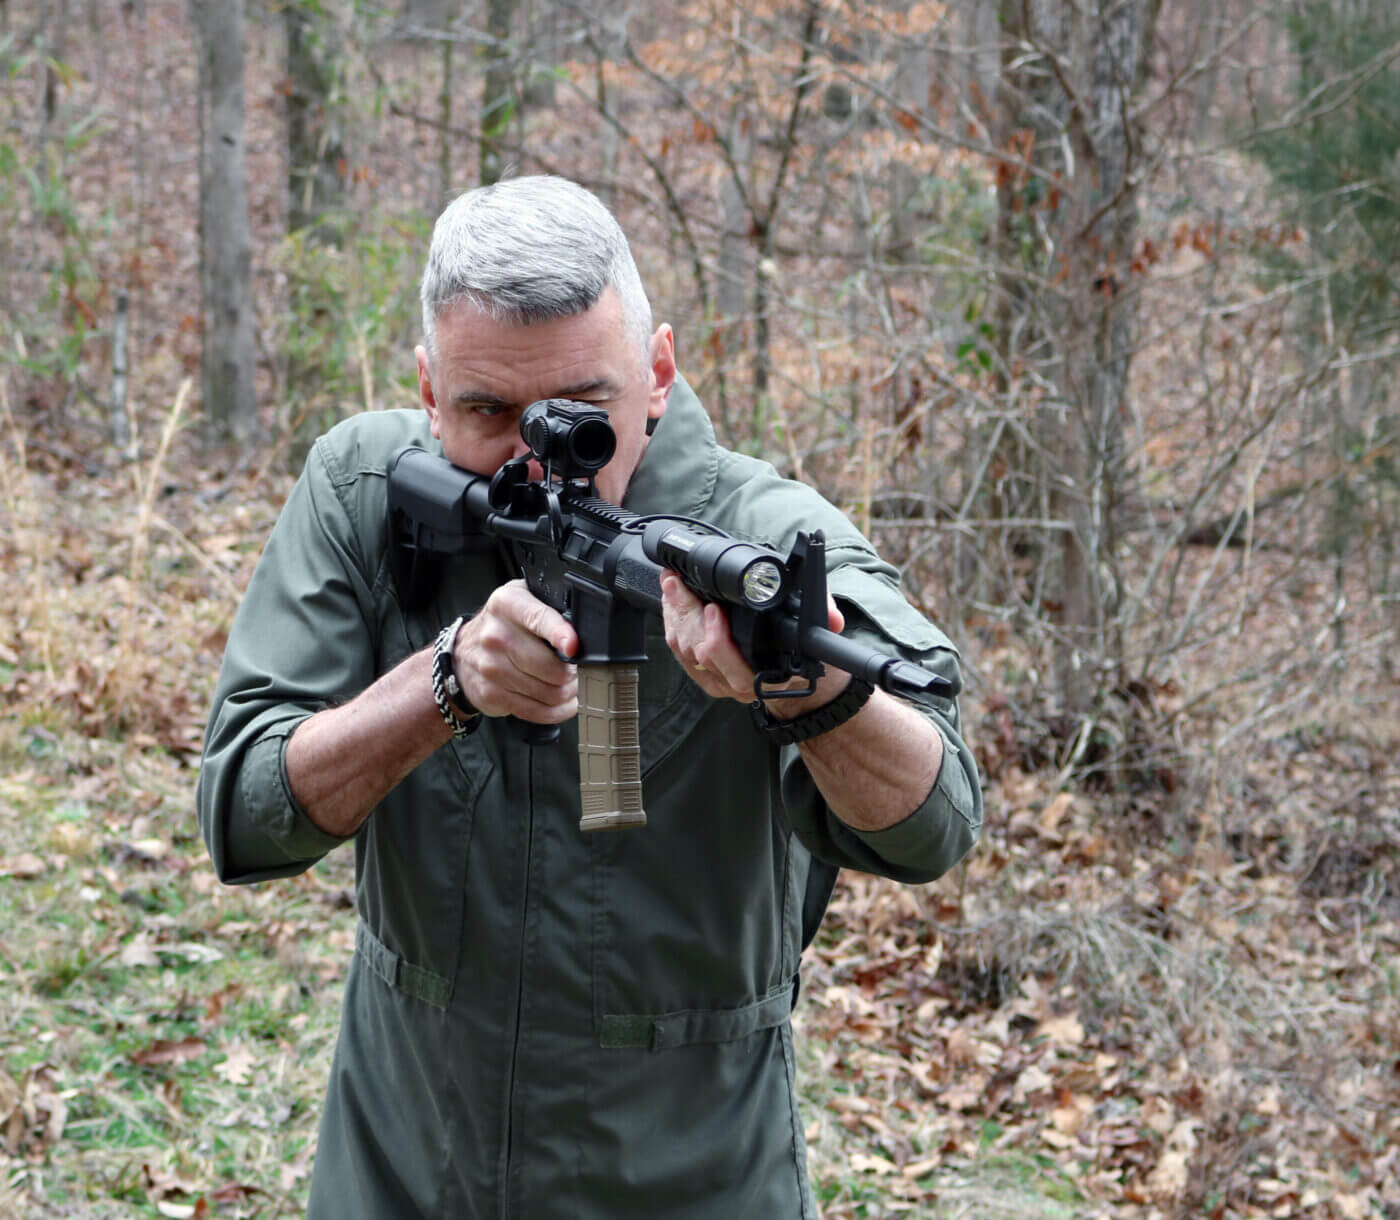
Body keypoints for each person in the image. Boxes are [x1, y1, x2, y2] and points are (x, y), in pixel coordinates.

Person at [196, 175, 982, 1219]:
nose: (538, 452)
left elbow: (936, 820)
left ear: (657, 371)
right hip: (404, 1161)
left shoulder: (759, 528)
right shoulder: (363, 488)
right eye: (488, 411)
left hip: (688, 1177)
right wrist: (443, 683)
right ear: (426, 388)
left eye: (582, 413)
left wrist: (814, 691)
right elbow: (241, 810)